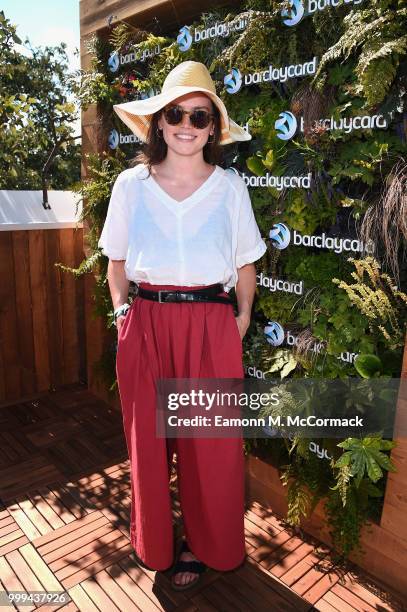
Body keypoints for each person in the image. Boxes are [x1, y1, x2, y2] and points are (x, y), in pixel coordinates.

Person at [98, 60, 267, 590]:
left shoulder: (229, 187)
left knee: (208, 449)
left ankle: (207, 543)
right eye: (176, 113)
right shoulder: (131, 185)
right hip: (145, 323)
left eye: (200, 115)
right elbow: (116, 261)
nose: (187, 124)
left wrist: (239, 320)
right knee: (148, 446)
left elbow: (245, 264)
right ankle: (155, 540)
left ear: (213, 127)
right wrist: (124, 313)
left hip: (209, 326)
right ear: (159, 122)